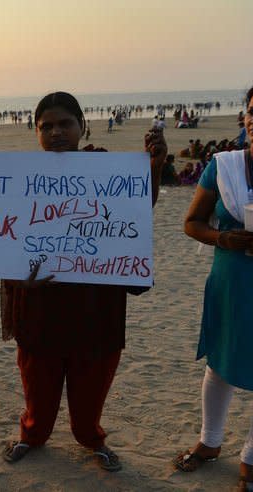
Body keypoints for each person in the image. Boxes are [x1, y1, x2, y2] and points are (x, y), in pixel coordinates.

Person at [0, 92, 167, 472]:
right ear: (37, 133)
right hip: (40, 304)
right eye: (47, 127)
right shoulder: (22, 179)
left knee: (90, 390)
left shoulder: (106, 169)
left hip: (96, 305)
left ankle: (92, 438)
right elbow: (1, 239)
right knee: (37, 386)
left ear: (82, 127)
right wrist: (18, 279)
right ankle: (32, 435)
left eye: (65, 124)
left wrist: (155, 168)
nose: (56, 132)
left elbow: (136, 211)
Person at [173, 86, 253, 491]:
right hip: (230, 280)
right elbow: (192, 222)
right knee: (220, 364)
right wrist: (224, 239)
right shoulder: (224, 167)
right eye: (252, 111)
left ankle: (251, 460)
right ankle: (210, 442)